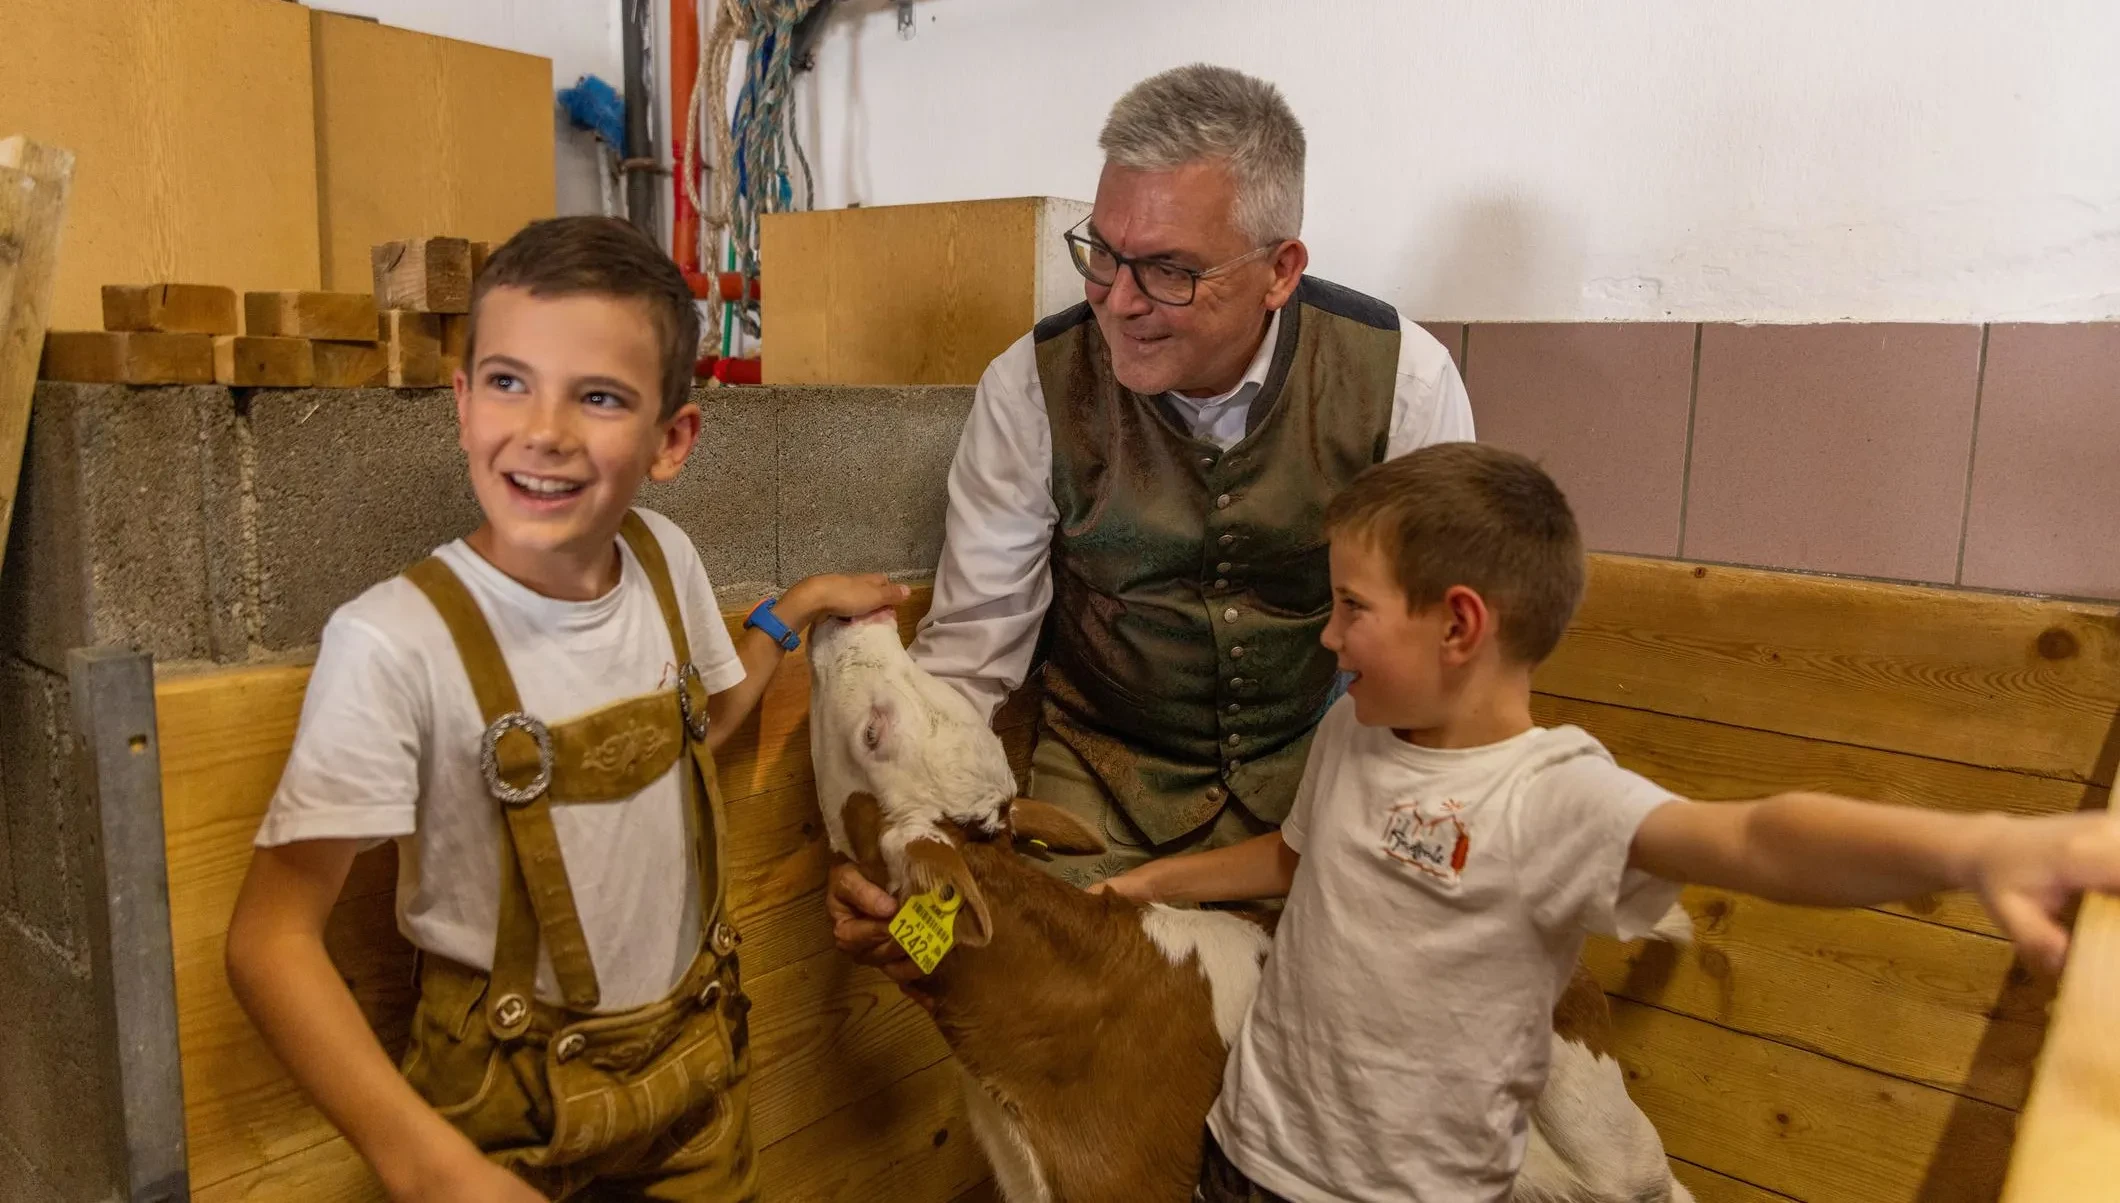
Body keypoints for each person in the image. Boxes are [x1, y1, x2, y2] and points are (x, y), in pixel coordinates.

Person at [1090, 442, 2120, 1203]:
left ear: (1457, 624)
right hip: (1247, 1156)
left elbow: (1755, 840)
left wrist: (1977, 844)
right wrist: (1146, 884)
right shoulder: (1354, 736)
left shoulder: (1552, 795)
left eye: (1351, 608)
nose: (1327, 634)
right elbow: (1291, 859)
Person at [224, 216, 906, 1201]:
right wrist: (432, 1170)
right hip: (501, 1126)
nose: (541, 431)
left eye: (597, 397)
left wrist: (788, 613)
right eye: (508, 381)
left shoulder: (665, 562)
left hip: (694, 1085)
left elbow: (695, 732)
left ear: (671, 441)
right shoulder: (392, 643)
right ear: (460, 405)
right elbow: (269, 940)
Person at [829, 63, 1475, 978]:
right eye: (1102, 250)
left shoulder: (1403, 381)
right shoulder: (1029, 386)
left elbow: (1433, 684)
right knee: (978, 978)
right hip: (1095, 799)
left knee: (1345, 1026)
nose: (1118, 300)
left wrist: (1392, 854)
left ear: (1281, 270)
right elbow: (968, 666)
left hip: (1318, 786)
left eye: (1170, 270)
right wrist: (910, 883)